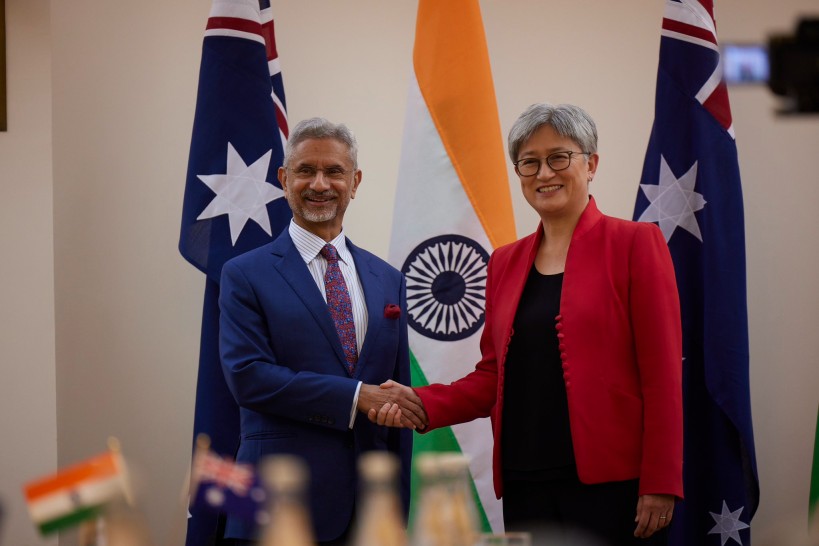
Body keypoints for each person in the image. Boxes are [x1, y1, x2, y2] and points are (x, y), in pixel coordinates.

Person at [371, 103, 683, 545]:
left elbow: (664, 375)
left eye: (559, 157)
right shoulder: (504, 262)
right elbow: (492, 376)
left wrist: (661, 481)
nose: (543, 173)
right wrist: (421, 403)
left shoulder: (635, 243)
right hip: (524, 480)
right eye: (529, 162)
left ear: (591, 164)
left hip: (614, 484)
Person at [218, 117, 425, 545]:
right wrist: (356, 397)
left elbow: (397, 396)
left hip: (372, 512)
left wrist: (398, 505)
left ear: (355, 181)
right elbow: (248, 377)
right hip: (275, 505)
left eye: (334, 171)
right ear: (284, 178)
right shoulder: (244, 274)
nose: (319, 183)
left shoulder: (389, 279)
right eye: (305, 170)